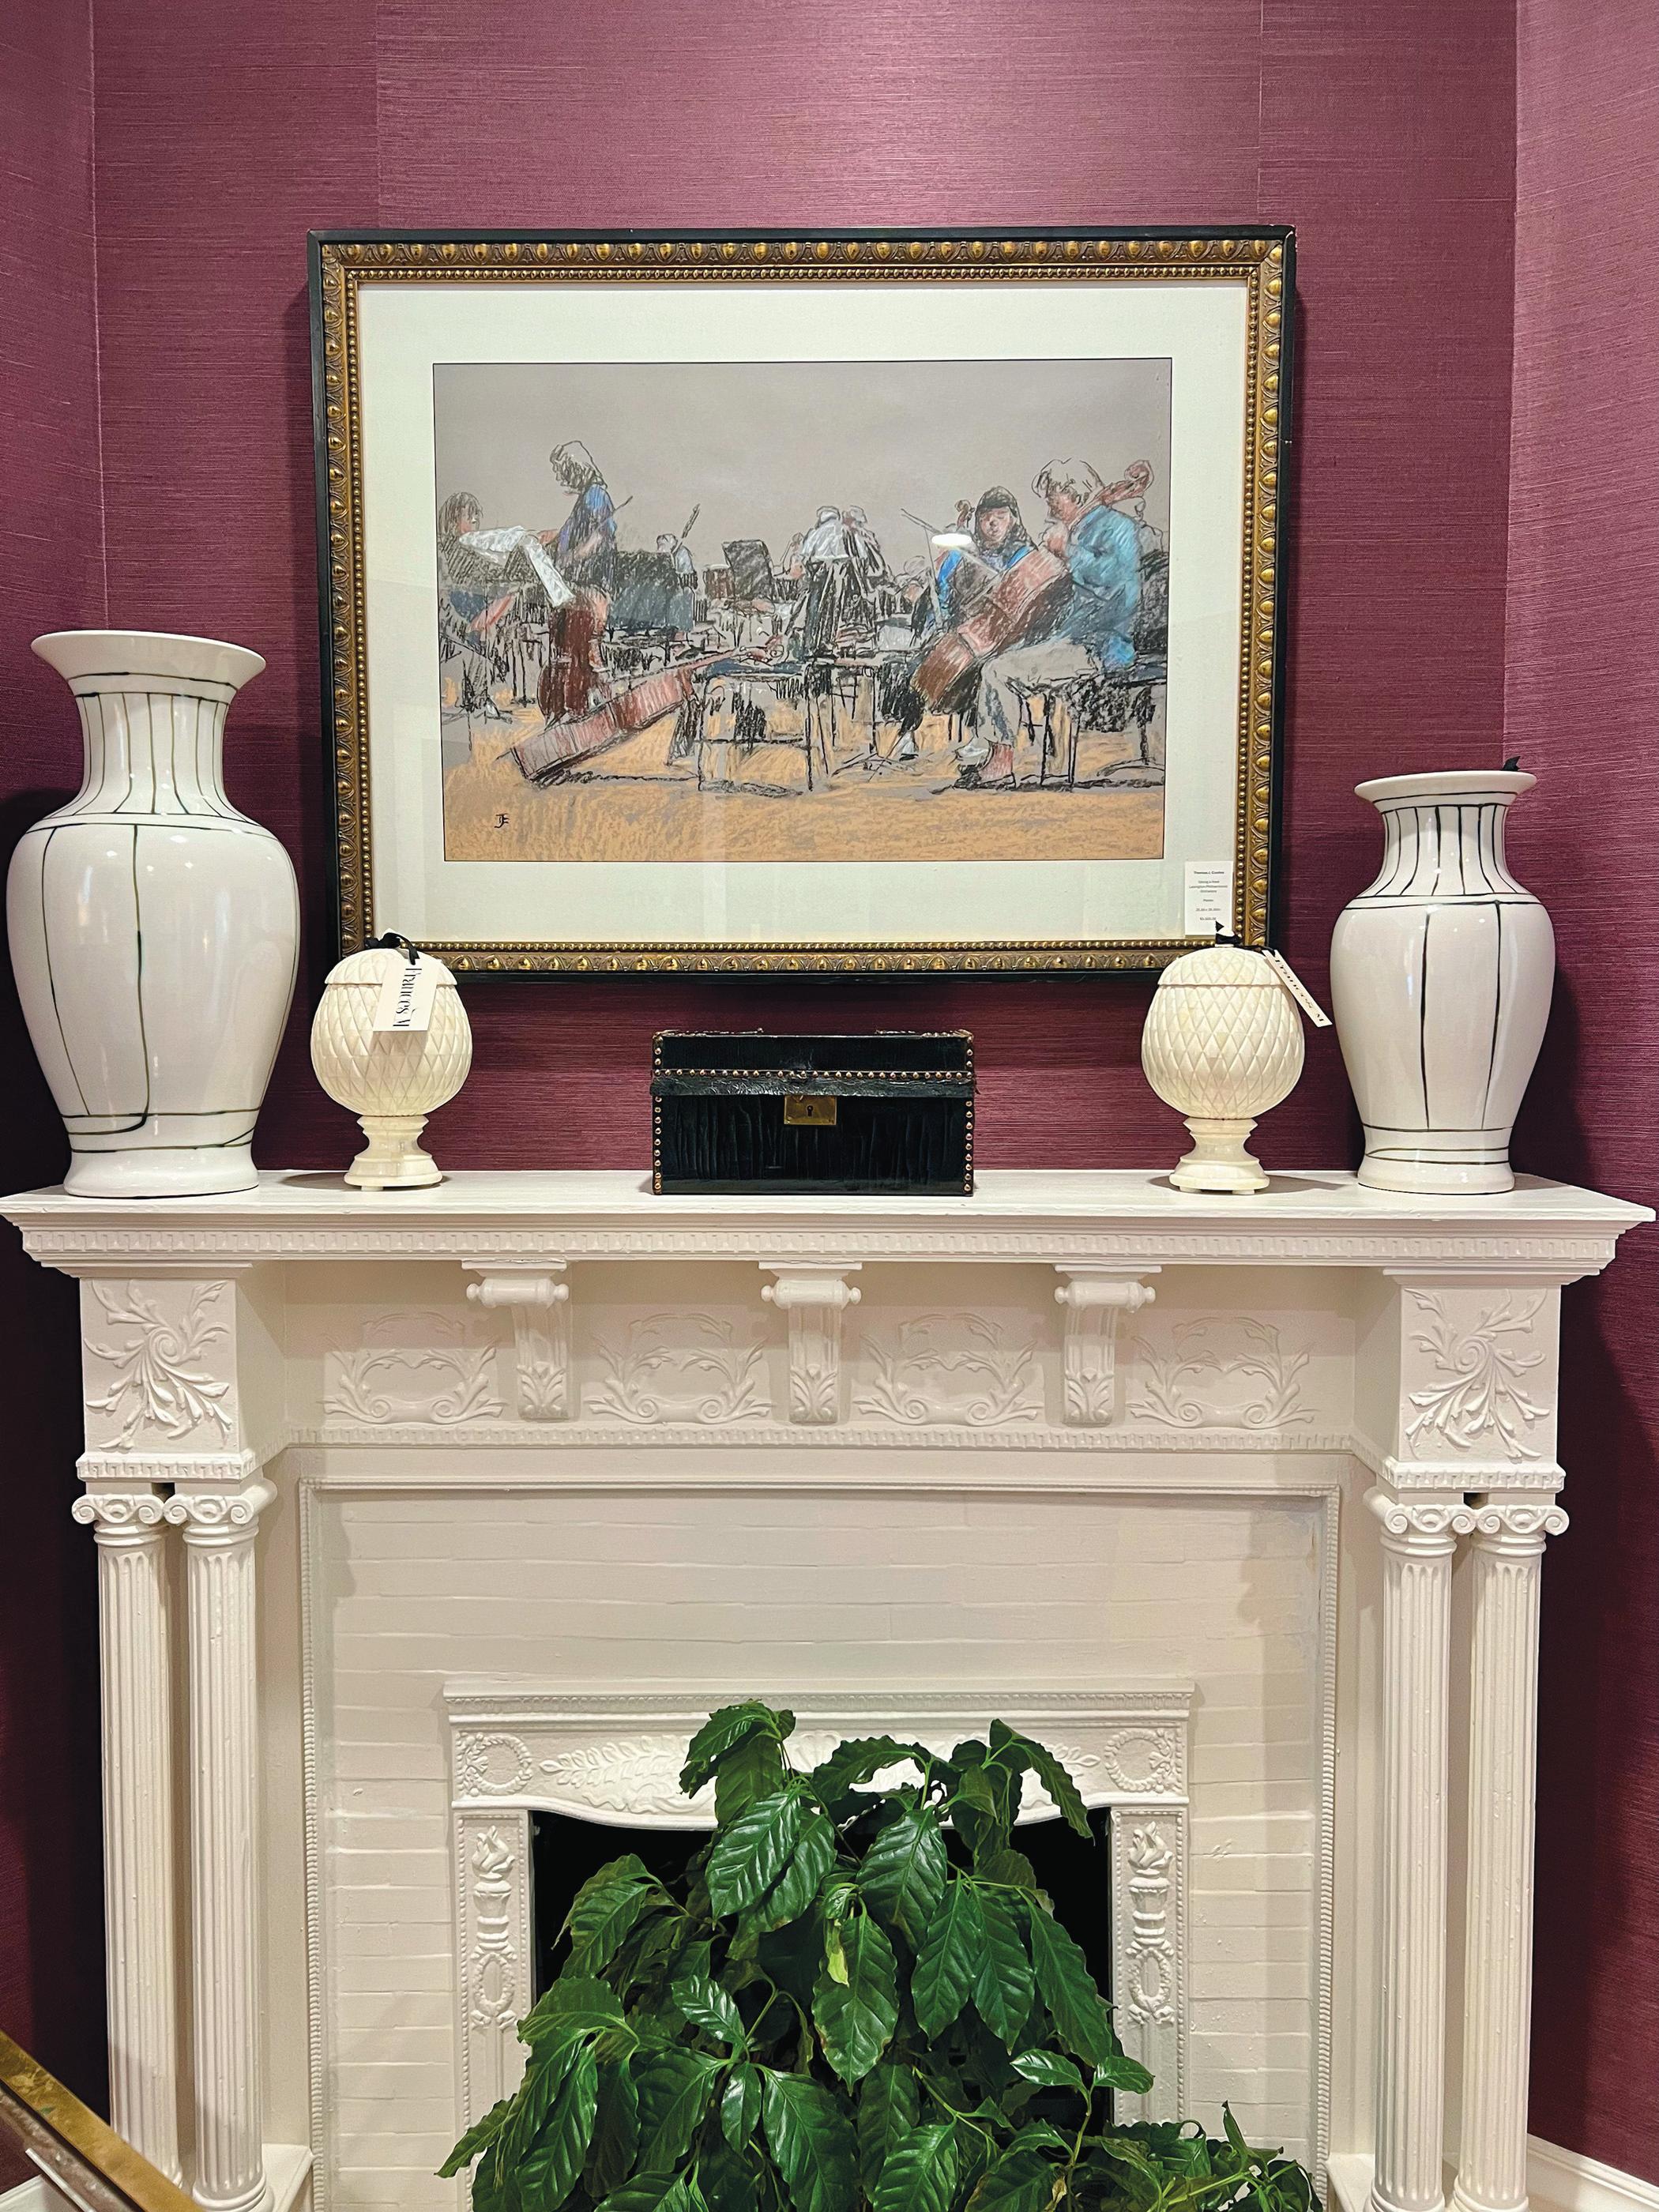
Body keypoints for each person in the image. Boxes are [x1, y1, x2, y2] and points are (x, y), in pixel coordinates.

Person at [972, 459, 1141, 786]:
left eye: (1053, 494)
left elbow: (1118, 583)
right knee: (999, 660)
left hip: (1100, 645)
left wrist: (1068, 553)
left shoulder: (1116, 527)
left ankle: (1001, 764)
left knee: (997, 671)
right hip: (1071, 639)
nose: (1049, 503)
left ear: (1075, 494)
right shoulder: (1077, 531)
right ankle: (997, 756)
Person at [541, 441, 616, 720]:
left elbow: (600, 535)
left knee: (579, 646)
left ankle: (577, 708)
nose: (560, 477)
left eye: (562, 470)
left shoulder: (595, 495)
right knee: (574, 646)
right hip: (579, 586)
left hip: (588, 586)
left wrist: (572, 557)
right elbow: (576, 532)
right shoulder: (586, 497)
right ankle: (571, 707)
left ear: (576, 467)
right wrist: (554, 536)